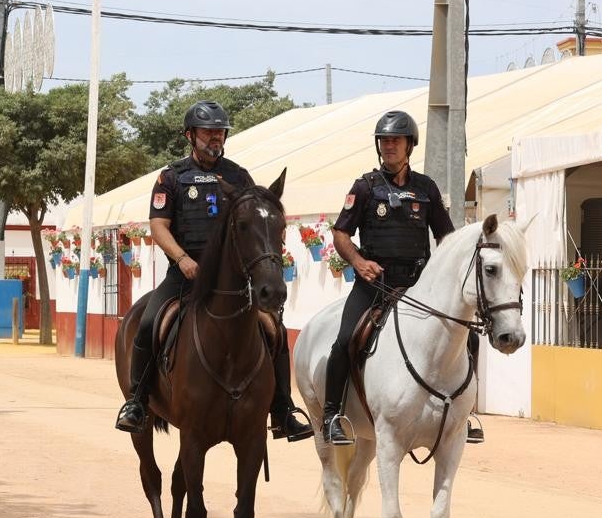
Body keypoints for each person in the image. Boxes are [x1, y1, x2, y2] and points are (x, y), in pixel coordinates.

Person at [114, 101, 313, 442]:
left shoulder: (239, 176)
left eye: (219, 132)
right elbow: (159, 226)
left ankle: (283, 409)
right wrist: (182, 259)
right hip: (185, 276)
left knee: (274, 331)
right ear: (190, 135)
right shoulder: (171, 177)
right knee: (146, 325)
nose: (215, 138)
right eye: (208, 132)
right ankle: (137, 401)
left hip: (230, 283)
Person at [321, 110, 483, 445]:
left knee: (470, 338)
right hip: (374, 285)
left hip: (417, 287)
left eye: (395, 140)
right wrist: (359, 261)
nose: (389, 146)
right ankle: (332, 415)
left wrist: (447, 277)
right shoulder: (364, 187)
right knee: (343, 340)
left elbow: (447, 239)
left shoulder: (426, 189)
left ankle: (467, 414)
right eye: (384, 140)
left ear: (410, 144)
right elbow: (340, 234)